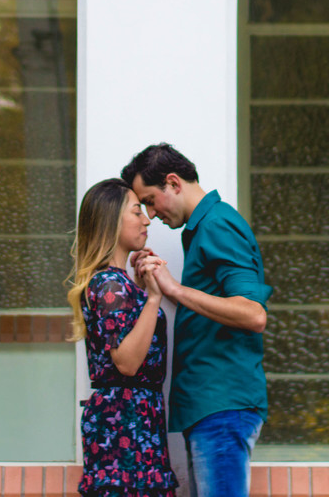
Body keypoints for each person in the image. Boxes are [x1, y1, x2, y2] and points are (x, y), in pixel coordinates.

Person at [123, 144, 271, 497]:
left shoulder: (218, 224)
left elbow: (254, 314)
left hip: (222, 406)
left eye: (150, 200)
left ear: (173, 183)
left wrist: (175, 290)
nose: (151, 214)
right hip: (211, 409)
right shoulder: (204, 229)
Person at [67, 177, 179, 497]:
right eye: (136, 212)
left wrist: (141, 291)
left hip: (133, 419)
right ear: (111, 223)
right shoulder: (108, 284)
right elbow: (128, 362)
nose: (146, 219)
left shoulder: (117, 283)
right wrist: (154, 298)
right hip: (125, 426)